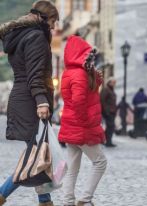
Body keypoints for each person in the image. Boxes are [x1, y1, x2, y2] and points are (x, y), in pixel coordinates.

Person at [0, 1, 59, 206]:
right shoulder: (36, 37)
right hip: (30, 102)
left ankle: (45, 200)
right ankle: (2, 193)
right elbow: (34, 76)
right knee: (34, 156)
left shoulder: (22, 36)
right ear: (43, 18)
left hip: (23, 98)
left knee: (38, 152)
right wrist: (42, 102)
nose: (53, 26)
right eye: (52, 21)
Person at [58, 36, 107, 206]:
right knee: (100, 162)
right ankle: (85, 200)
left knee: (72, 168)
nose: (90, 59)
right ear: (80, 54)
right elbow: (79, 101)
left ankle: (67, 201)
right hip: (81, 127)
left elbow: (88, 92)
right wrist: (86, 123)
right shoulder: (79, 74)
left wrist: (97, 79)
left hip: (71, 127)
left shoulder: (71, 72)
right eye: (88, 55)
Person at [100, 77, 117, 147]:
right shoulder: (106, 89)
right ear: (109, 82)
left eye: (115, 83)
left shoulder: (111, 90)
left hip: (112, 111)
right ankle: (107, 141)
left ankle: (108, 141)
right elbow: (102, 100)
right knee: (110, 126)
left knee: (111, 127)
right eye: (113, 82)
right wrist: (106, 111)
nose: (114, 84)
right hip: (108, 111)